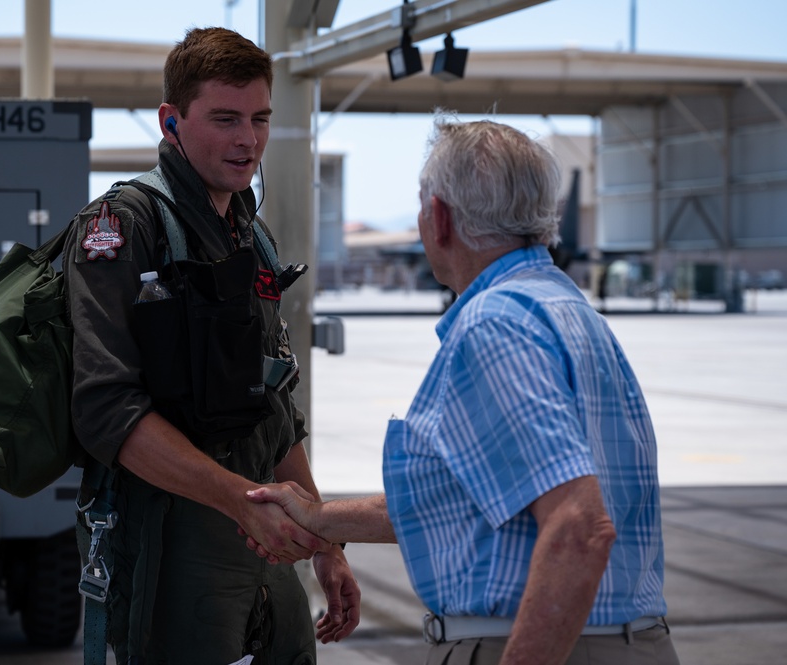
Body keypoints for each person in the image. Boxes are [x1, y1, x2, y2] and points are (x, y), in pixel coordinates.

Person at [247, 118, 680, 665]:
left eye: (422, 204)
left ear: (441, 218)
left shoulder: (496, 326)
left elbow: (579, 527)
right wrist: (319, 520)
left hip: (539, 643)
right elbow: (470, 504)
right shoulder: (568, 311)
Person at [63, 27, 359, 664]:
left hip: (265, 534)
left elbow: (276, 412)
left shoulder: (252, 234)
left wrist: (327, 542)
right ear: (172, 121)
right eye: (225, 118)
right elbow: (107, 411)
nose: (247, 140)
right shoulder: (123, 226)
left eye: (258, 118)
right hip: (171, 546)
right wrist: (240, 504)